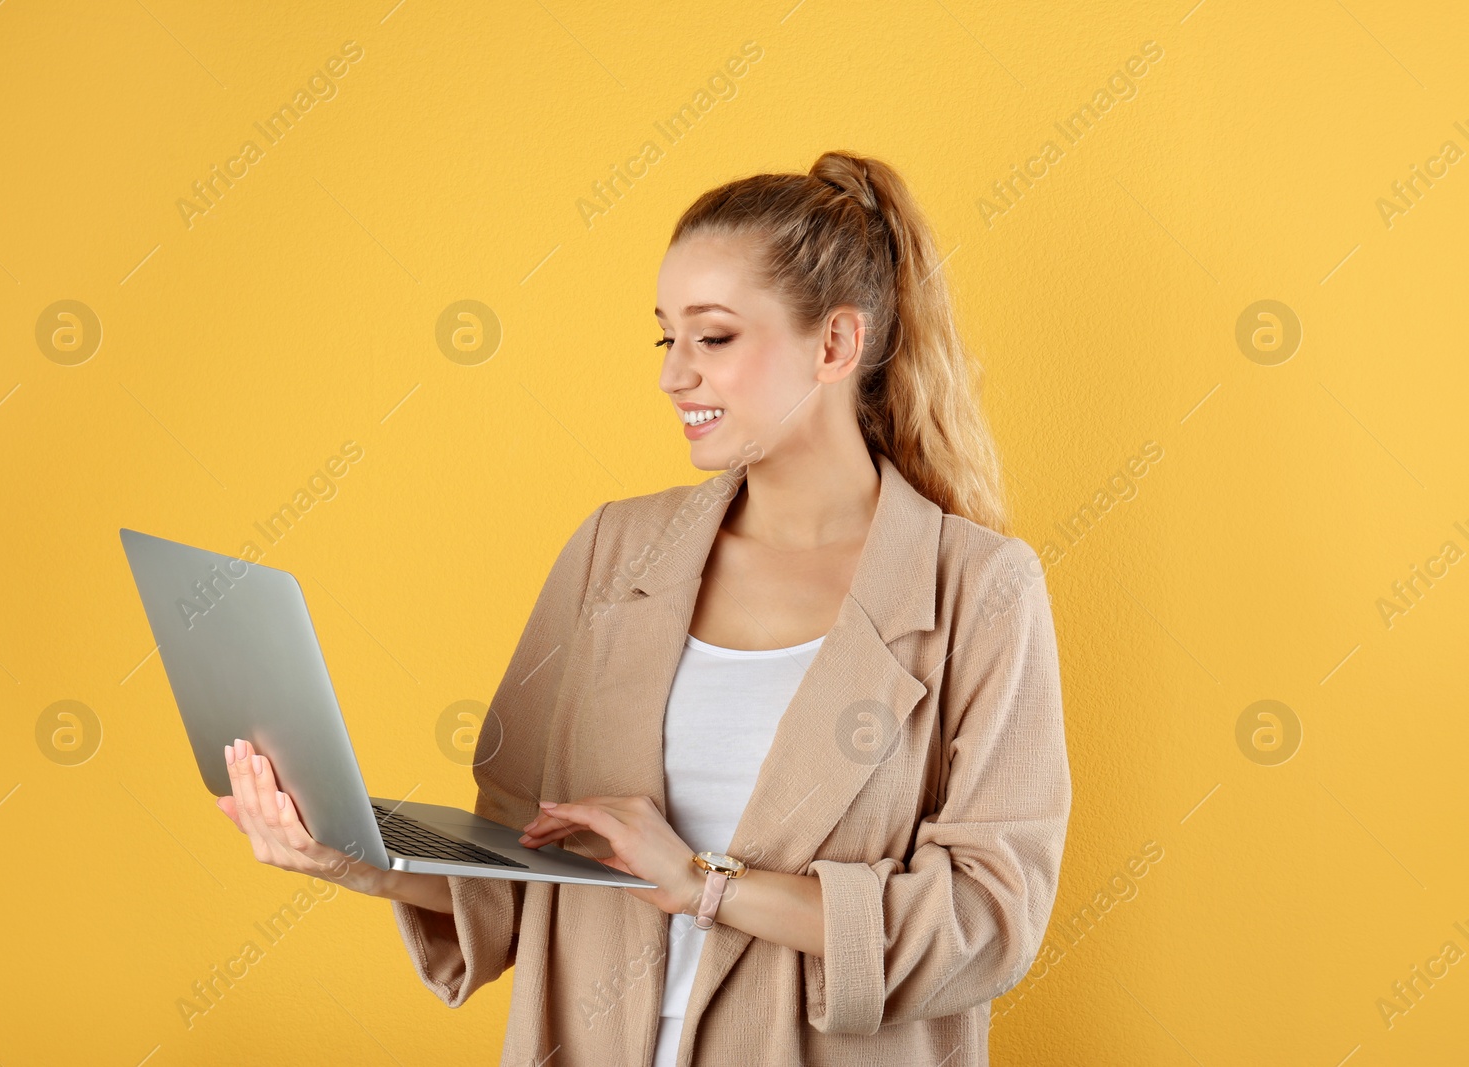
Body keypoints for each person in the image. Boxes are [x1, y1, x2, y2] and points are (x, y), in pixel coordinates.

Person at [217, 150, 1071, 1066]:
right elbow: (520, 864)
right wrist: (348, 854)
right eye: (668, 338)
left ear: (834, 345)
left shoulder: (980, 589)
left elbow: (991, 914)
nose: (674, 375)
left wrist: (702, 882)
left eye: (715, 337)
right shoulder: (612, 554)